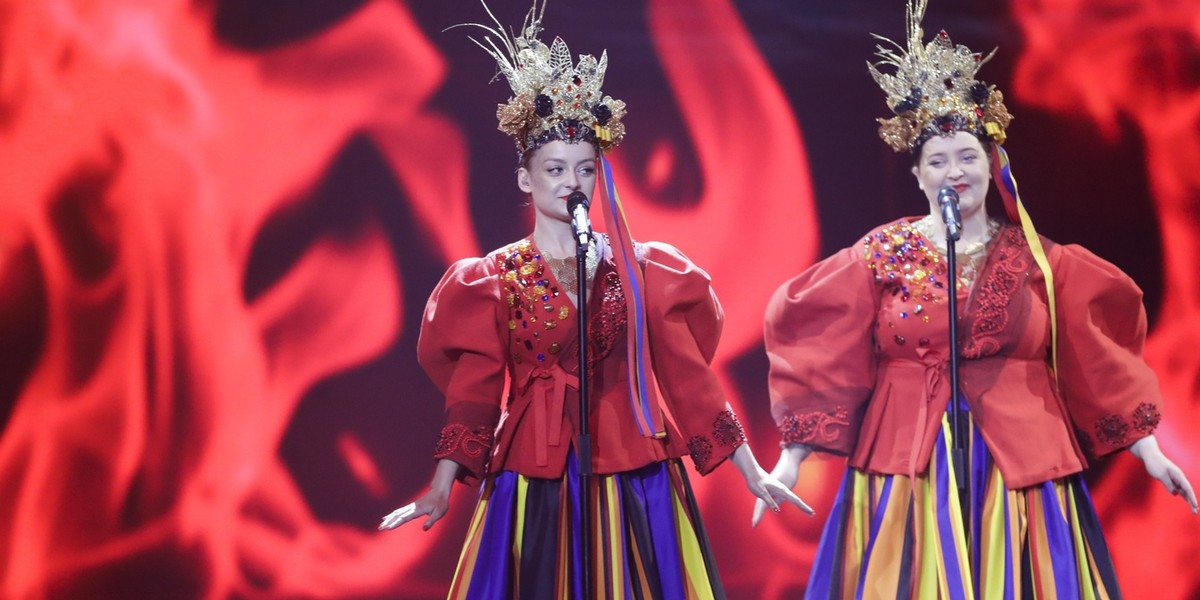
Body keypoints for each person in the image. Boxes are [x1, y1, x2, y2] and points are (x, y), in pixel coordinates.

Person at [751, 1, 1197, 597]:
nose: (954, 172)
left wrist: (1147, 449)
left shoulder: (1043, 262)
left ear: (993, 164)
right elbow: (822, 353)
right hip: (905, 464)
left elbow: (1099, 358)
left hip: (1021, 470)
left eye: (968, 157)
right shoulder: (878, 255)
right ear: (918, 175)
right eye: (938, 161)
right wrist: (792, 458)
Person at [378, 2, 808, 597]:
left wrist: (749, 468)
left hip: (633, 466)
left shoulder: (640, 269)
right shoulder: (492, 279)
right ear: (526, 179)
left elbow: (687, 379)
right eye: (554, 170)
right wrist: (441, 484)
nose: (570, 183)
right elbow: (474, 393)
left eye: (584, 169)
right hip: (534, 470)